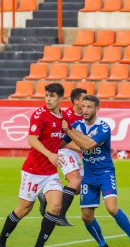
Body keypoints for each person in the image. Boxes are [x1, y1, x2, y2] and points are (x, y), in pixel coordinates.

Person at [62, 95, 130, 247]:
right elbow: (61, 143)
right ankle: (103, 246)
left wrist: (69, 132)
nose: (85, 110)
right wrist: (75, 145)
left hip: (105, 173)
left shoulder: (104, 127)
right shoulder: (77, 125)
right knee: (86, 216)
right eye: (83, 106)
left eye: (89, 107)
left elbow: (89, 144)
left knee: (112, 208)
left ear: (97, 109)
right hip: (89, 175)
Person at [0, 83, 69, 247]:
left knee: (56, 207)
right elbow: (31, 140)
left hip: (50, 171)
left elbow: (63, 140)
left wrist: (65, 144)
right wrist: (50, 154)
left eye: (52, 96)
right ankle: (1, 240)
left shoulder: (64, 117)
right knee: (24, 208)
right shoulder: (39, 115)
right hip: (33, 170)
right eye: (47, 95)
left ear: (60, 98)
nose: (48, 99)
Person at [38, 88, 87, 226]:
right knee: (76, 181)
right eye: (84, 99)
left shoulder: (83, 115)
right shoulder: (67, 116)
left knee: (79, 187)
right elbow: (60, 141)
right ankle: (59, 216)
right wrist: (83, 149)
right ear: (76, 101)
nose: (86, 102)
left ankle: (47, 198)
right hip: (64, 150)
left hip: (74, 151)